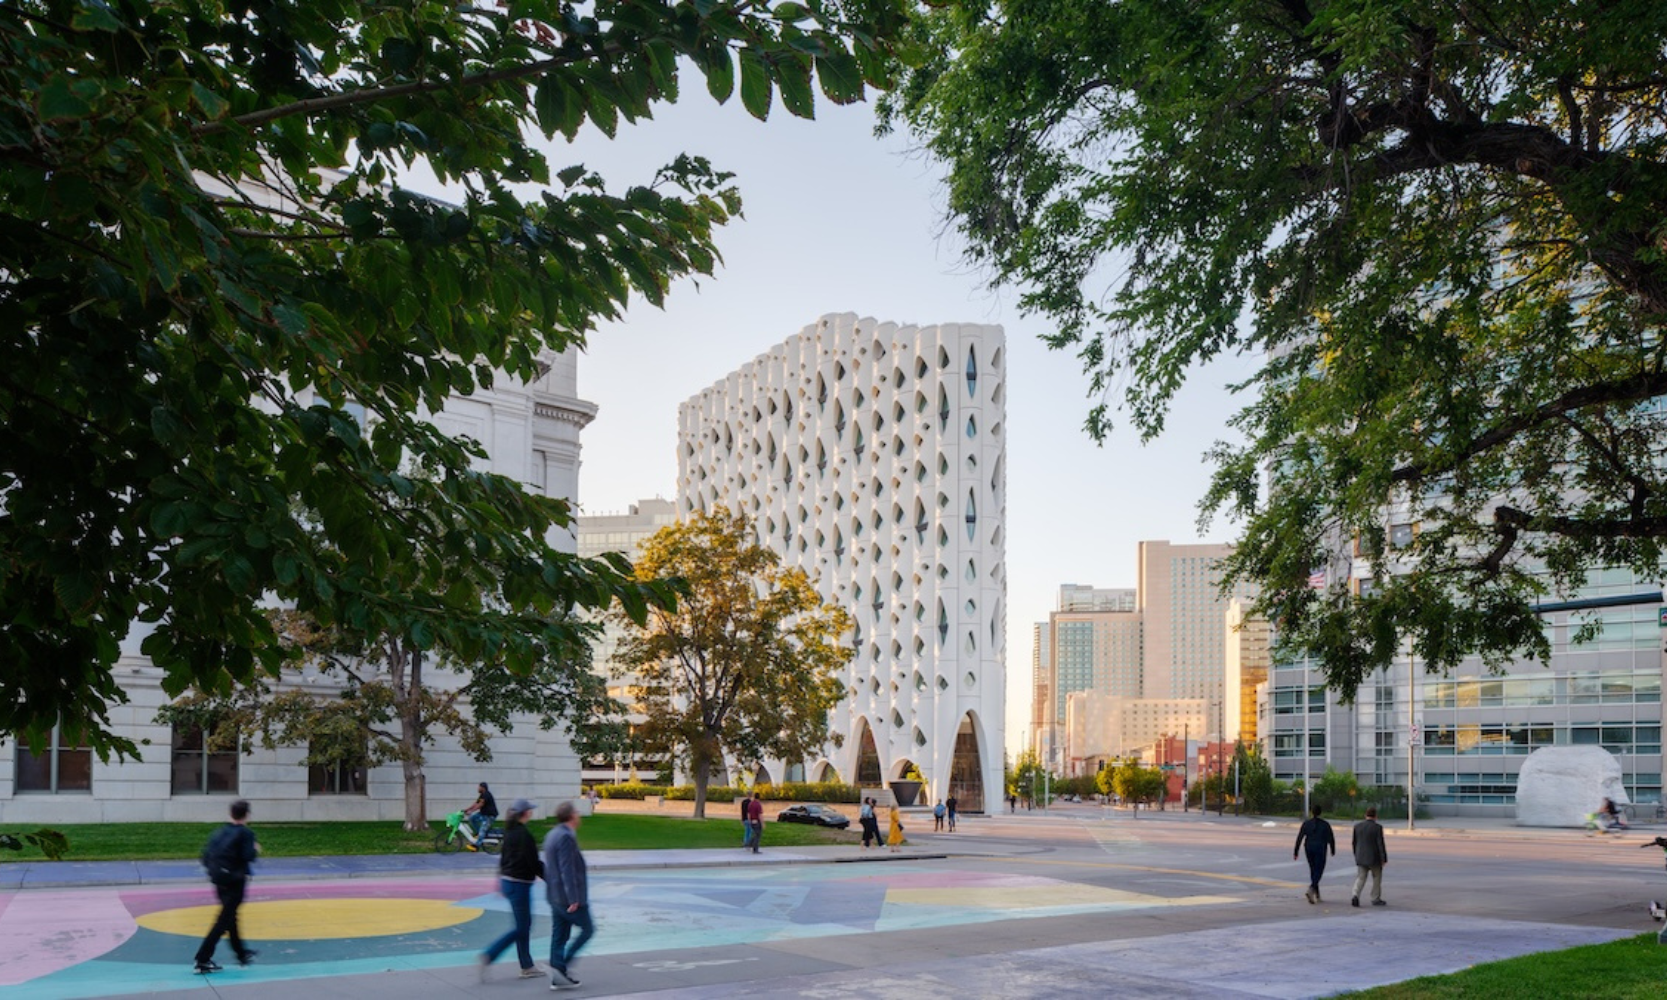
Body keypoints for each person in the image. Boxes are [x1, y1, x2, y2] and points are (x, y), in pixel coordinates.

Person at [479, 799, 544, 980]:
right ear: (526, 813)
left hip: (509, 883)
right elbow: (535, 864)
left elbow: (503, 859)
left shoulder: (510, 832)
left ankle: (527, 965)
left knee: (523, 926)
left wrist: (500, 881)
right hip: (519, 885)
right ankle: (491, 954)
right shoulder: (524, 835)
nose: (531, 812)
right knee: (522, 927)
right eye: (530, 810)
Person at [194, 799, 260, 974]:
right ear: (246, 815)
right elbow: (248, 855)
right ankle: (203, 958)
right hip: (235, 882)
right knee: (223, 920)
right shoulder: (245, 834)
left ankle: (241, 953)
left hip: (219, 880)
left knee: (230, 917)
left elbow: (205, 856)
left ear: (230, 814)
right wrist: (255, 848)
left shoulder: (220, 832)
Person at [544, 801, 592, 990]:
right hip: (567, 897)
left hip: (555, 895)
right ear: (571, 816)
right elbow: (567, 869)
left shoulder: (553, 834)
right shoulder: (565, 837)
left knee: (559, 935)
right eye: (577, 813)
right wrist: (574, 898)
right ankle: (560, 966)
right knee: (588, 929)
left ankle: (558, 974)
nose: (579, 816)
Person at [1293, 804, 1336, 904]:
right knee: (1319, 870)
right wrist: (1332, 849)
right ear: (1320, 812)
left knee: (1313, 870)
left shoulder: (1306, 823)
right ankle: (1312, 888)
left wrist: (1296, 851)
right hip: (1320, 848)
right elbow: (1331, 838)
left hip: (1308, 848)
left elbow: (1300, 837)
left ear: (1312, 812)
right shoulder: (1325, 824)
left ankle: (1317, 894)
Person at [1350, 806, 1389, 907]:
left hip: (1361, 857)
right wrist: (1383, 858)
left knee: (1361, 878)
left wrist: (1356, 854)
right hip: (1374, 858)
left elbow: (1354, 842)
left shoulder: (1357, 826)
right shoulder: (1377, 828)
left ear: (1365, 815)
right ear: (1376, 816)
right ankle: (1375, 898)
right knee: (1376, 878)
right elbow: (1380, 844)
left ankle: (1355, 895)